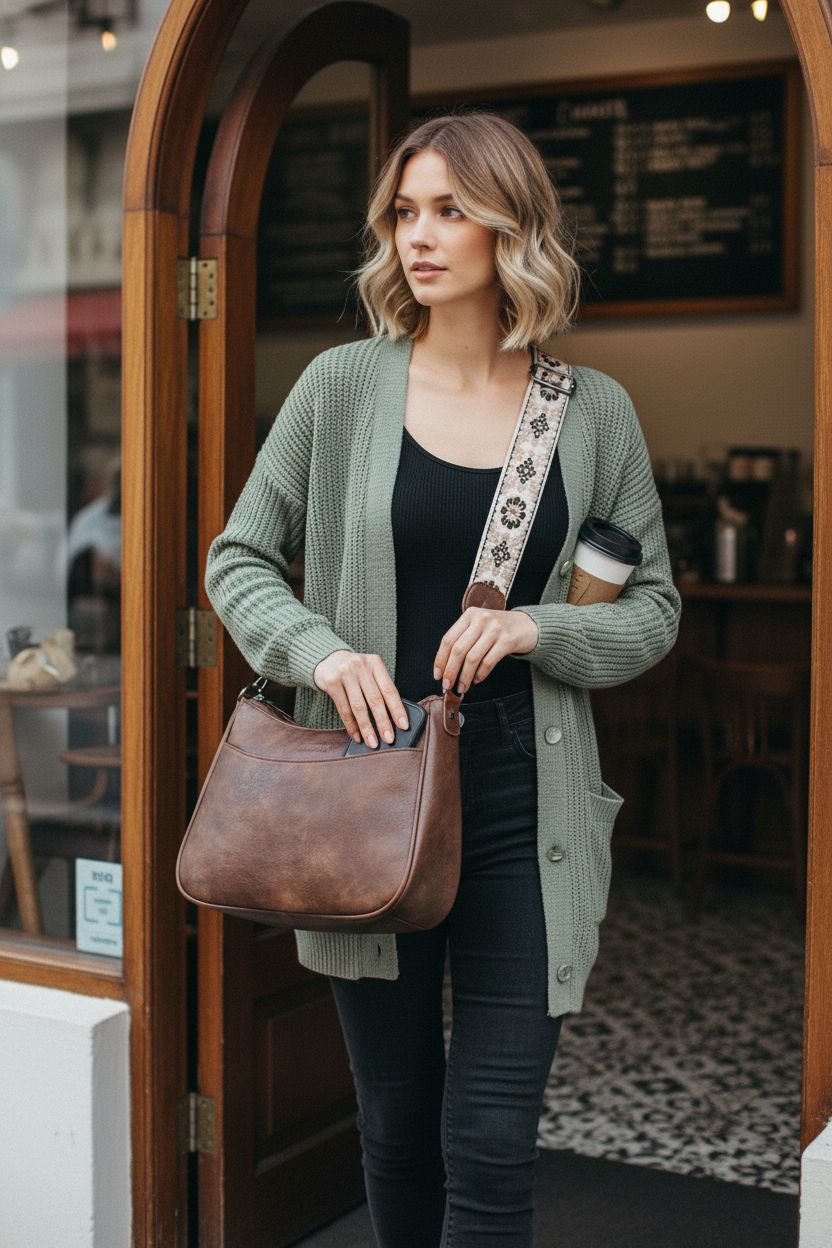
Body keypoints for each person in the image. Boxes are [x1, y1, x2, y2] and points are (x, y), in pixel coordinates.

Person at [204, 110, 681, 1248]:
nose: (419, 235)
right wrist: (322, 650)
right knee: (400, 1124)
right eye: (405, 212)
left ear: (512, 228)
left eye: (450, 210)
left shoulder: (592, 412)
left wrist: (535, 632)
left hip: (526, 800)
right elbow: (236, 559)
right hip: (367, 795)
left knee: (491, 1137)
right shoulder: (339, 389)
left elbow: (654, 609)